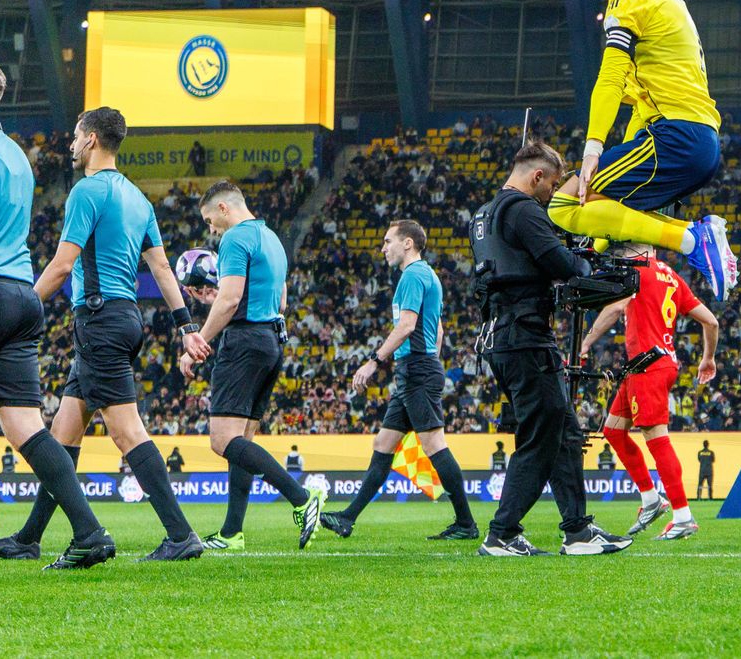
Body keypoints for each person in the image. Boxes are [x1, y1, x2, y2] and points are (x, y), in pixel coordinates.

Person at [0, 107, 208, 564]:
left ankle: (181, 534)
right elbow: (162, 268)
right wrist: (186, 325)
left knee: (126, 432)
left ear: (89, 140)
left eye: (74, 136)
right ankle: (28, 538)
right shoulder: (137, 198)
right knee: (63, 434)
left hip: (99, 321)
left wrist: (25, 304)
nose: (70, 144)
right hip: (124, 319)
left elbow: (64, 264)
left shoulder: (86, 192)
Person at [546, 0, 738, 300]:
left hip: (676, 137)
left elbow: (611, 77)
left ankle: (690, 238)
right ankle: (692, 237)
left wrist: (593, 149)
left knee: (563, 204)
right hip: (699, 141)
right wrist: (601, 237)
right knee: (599, 201)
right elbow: (637, 106)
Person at [0, 60, 113, 569]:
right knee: (25, 427)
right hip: (19, 293)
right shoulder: (16, 154)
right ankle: (90, 533)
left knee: (25, 427)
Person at [469, 142, 630, 556]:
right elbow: (560, 262)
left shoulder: (483, 216)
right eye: (552, 184)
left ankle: (577, 531)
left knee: (565, 434)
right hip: (524, 338)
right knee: (542, 436)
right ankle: (502, 533)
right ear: (536, 176)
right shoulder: (523, 210)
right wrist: (588, 265)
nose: (553, 194)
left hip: (503, 337)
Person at [178, 181, 325, 552]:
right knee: (242, 440)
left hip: (244, 342)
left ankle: (302, 498)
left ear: (224, 209)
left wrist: (198, 341)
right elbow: (283, 299)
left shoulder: (234, 239)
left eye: (210, 220)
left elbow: (228, 301)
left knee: (222, 440)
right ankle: (232, 533)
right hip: (272, 340)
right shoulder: (271, 238)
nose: (211, 229)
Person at [322, 221, 475, 541]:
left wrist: (373, 362)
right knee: (383, 443)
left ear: (408, 243)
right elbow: (439, 329)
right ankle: (347, 518)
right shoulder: (428, 276)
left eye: (387, 241)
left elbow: (406, 326)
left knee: (435, 445)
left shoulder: (412, 275)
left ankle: (466, 524)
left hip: (416, 370)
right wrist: (427, 359)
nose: (383, 248)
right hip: (416, 369)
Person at [581, 245, 719, 539]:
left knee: (657, 439)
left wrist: (586, 342)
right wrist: (708, 358)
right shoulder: (672, 276)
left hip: (648, 367)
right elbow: (711, 320)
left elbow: (616, 307)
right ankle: (651, 499)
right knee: (614, 431)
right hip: (652, 364)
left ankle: (683, 516)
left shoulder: (635, 273)